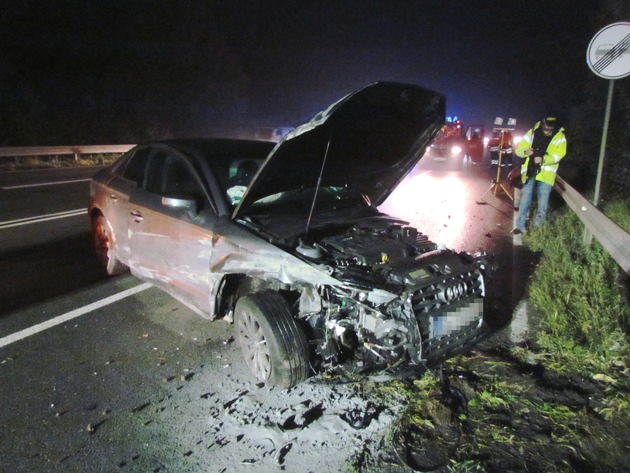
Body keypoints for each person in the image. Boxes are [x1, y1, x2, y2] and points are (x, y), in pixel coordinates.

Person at [512, 117, 567, 234]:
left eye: (550, 128)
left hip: (546, 174)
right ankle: (520, 226)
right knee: (525, 199)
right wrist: (526, 152)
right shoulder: (532, 132)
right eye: (546, 127)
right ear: (543, 123)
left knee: (543, 203)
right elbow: (519, 149)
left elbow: (559, 155)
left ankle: (538, 228)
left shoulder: (560, 136)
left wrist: (543, 159)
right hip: (530, 171)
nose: (548, 130)